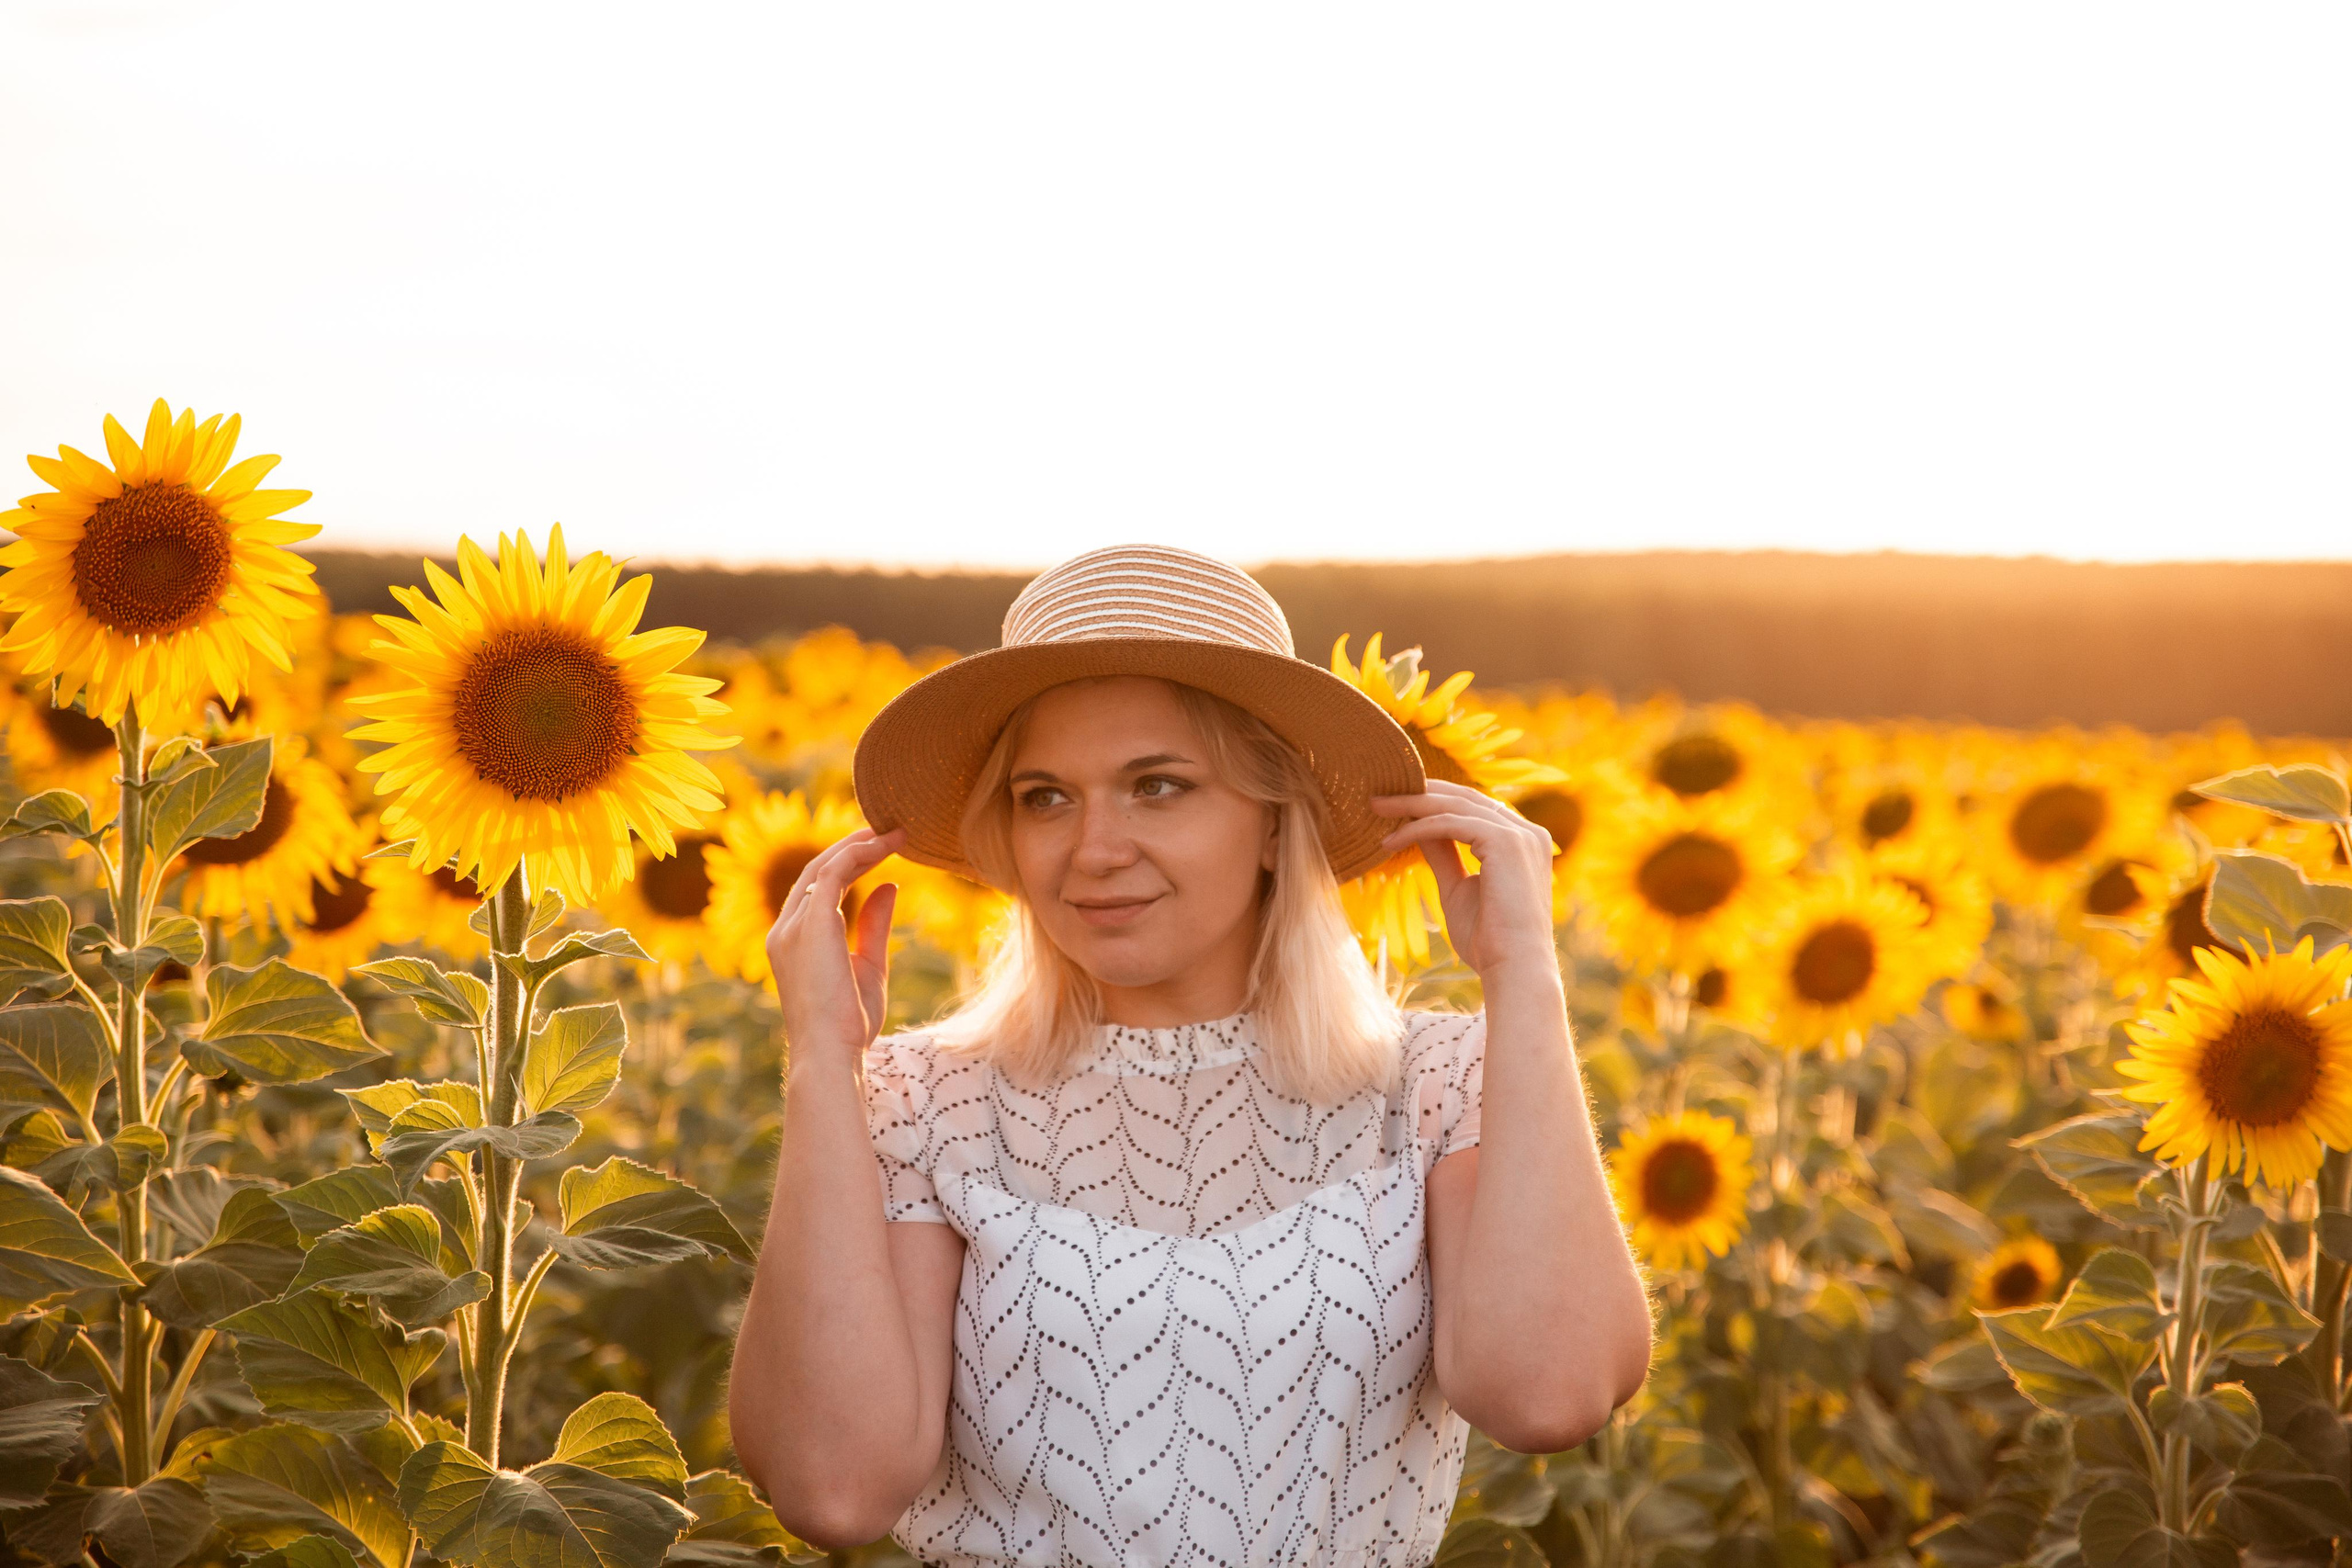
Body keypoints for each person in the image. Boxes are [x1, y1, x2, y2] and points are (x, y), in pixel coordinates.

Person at [729, 544, 1651, 1566]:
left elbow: (1548, 1392)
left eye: (1157, 786)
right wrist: (822, 1057)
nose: (1094, 849)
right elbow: (833, 1486)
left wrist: (1524, 971)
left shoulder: (1432, 1084)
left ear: (1274, 822)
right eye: (1045, 797)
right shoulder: (927, 1099)